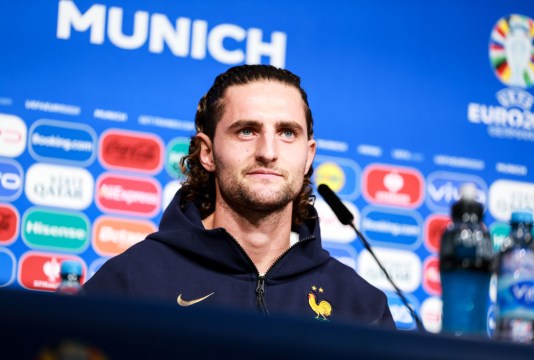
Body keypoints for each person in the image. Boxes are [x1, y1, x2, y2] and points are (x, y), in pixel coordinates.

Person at [83, 64, 395, 328]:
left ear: (308, 156)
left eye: (287, 133)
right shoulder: (132, 283)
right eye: (247, 131)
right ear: (207, 153)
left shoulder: (362, 308)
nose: (268, 153)